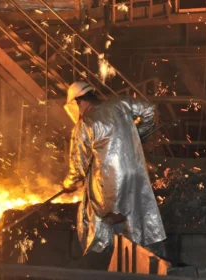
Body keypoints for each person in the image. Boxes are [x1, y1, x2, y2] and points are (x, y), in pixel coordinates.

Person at [63, 81, 167, 270]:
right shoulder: (120, 104)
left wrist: (68, 184)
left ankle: (101, 260)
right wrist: (137, 134)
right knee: (137, 213)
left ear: (79, 102)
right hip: (136, 176)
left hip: (108, 183)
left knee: (99, 218)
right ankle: (146, 257)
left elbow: (77, 167)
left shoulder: (85, 124)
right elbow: (149, 109)